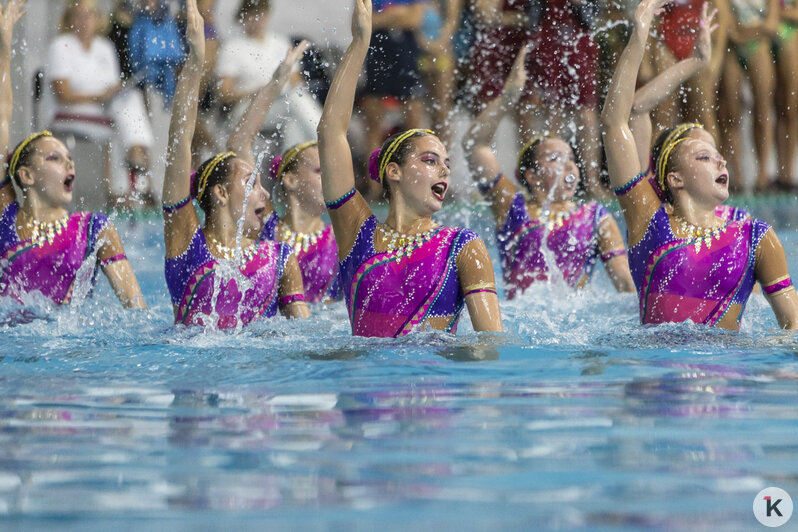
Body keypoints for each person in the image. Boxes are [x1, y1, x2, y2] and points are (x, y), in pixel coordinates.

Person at [601, 0, 798, 330]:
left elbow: (793, 326)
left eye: (717, 154)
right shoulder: (649, 220)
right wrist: (640, 36)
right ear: (674, 179)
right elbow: (616, 122)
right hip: (657, 373)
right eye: (703, 156)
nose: (719, 160)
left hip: (729, 373)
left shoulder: (756, 236)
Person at [317, 0, 503, 338]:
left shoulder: (463, 247)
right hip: (366, 386)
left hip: (434, 383)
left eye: (446, 164)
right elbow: (330, 133)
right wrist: (360, 44)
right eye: (430, 161)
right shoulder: (357, 233)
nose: (444, 171)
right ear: (394, 172)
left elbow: (490, 347)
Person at [161, 0, 308, 329]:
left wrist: (278, 79)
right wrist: (195, 65)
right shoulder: (186, 241)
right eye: (251, 184)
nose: (265, 194)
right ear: (221, 193)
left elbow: (306, 341)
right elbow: (179, 144)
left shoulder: (279, 258)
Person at [0, 0, 146, 309]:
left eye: (69, 157)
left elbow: (138, 318)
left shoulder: (96, 229)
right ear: (25, 175)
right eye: (54, 158)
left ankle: (138, 179)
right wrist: (3, 45)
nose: (69, 162)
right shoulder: (5, 218)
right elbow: (2, 115)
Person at [463, 47, 635, 298]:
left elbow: (626, 286)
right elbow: (474, 145)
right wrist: (508, 97)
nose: (568, 166)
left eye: (572, 159)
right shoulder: (512, 208)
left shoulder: (597, 217)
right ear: (531, 176)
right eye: (555, 159)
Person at [225, 41, 340, 304]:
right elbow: (238, 144)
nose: (332, 179)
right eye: (320, 171)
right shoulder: (263, 225)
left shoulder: (342, 238)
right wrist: (277, 82)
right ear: (290, 180)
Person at [46, 0, 156, 207]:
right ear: (69, 19)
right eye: (79, 15)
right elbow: (63, 94)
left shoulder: (104, 47)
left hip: (102, 111)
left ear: (97, 19)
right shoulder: (61, 46)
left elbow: (113, 88)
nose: (85, 21)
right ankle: (137, 167)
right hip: (70, 112)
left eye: (89, 15)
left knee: (130, 99)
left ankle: (124, 182)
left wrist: (114, 91)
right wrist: (99, 96)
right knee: (123, 119)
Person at [215, 0, 320, 154]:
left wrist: (280, 89)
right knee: (294, 101)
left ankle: (288, 170)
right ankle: (325, 141)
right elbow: (223, 93)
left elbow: (297, 81)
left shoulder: (280, 42)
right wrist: (260, 92)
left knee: (294, 121)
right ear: (243, 17)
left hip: (282, 103)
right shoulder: (233, 47)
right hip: (250, 107)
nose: (257, 20)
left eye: (261, 15)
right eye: (253, 15)